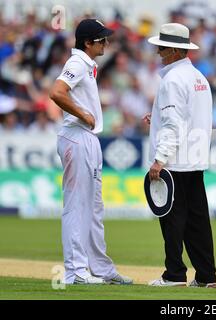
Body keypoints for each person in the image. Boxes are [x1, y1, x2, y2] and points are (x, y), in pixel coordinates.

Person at [49, 19, 133, 285]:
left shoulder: (88, 65)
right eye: (101, 39)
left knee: (94, 208)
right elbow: (57, 92)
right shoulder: (77, 63)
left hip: (87, 138)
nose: (106, 43)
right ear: (88, 42)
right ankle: (75, 272)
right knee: (77, 206)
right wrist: (82, 113)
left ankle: (100, 268)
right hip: (76, 137)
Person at [144, 23, 216, 287]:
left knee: (172, 220)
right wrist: (156, 121)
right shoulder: (198, 77)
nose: (158, 52)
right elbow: (190, 117)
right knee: (198, 221)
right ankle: (207, 276)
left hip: (174, 161)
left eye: (162, 47)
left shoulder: (173, 80)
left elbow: (175, 123)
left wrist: (159, 159)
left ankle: (174, 275)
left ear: (174, 50)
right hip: (194, 159)